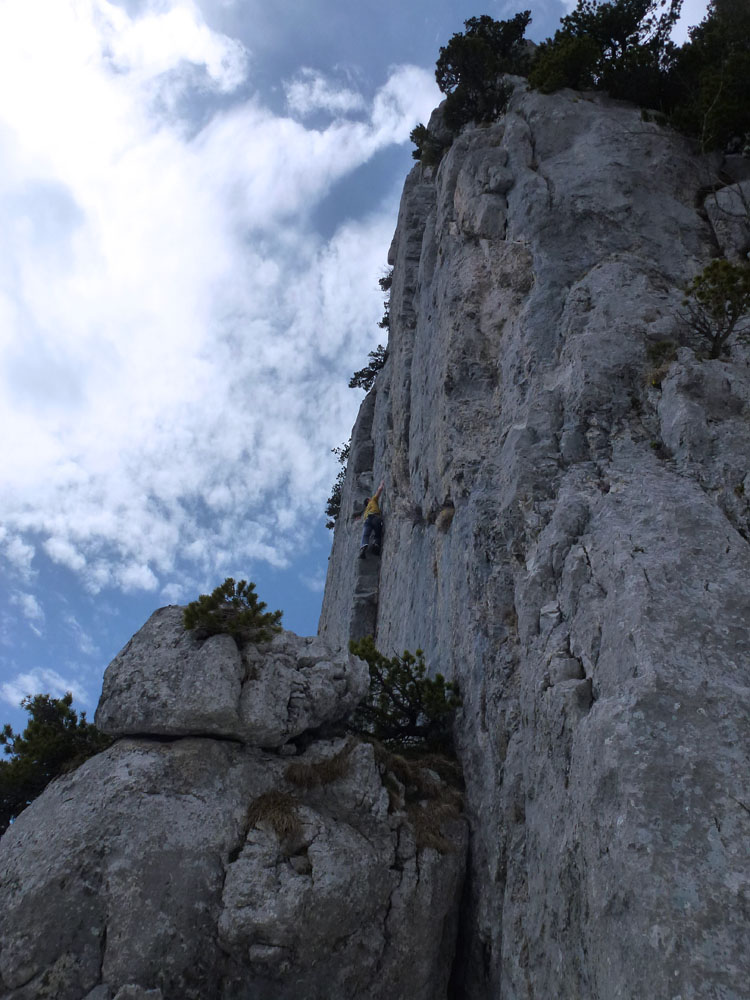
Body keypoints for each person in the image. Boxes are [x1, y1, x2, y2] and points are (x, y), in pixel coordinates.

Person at [359, 480, 384, 559]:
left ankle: (363, 547)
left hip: (367, 520)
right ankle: (376, 544)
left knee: (365, 534)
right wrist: (381, 484)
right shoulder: (372, 500)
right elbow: (379, 491)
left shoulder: (366, 510)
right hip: (375, 517)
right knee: (378, 531)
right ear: (368, 500)